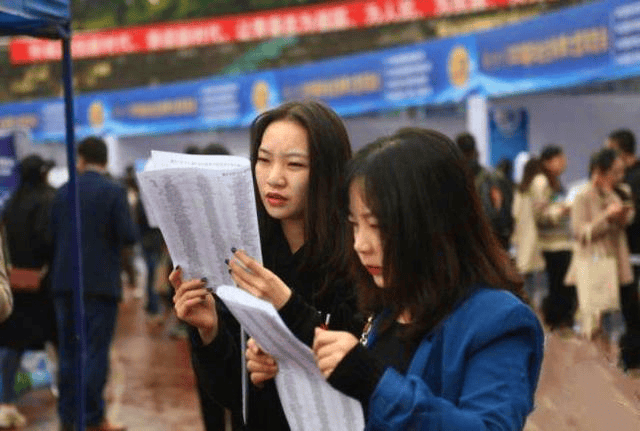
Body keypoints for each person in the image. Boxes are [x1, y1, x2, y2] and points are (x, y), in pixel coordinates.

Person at [312, 128, 544, 430]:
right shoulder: (390, 305)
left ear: (433, 225)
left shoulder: (497, 321)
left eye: (377, 225)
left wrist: (374, 382)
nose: (360, 244)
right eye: (355, 225)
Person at [171, 100, 361, 430]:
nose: (274, 178)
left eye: (295, 165)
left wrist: (290, 347)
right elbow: (231, 394)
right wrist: (210, 331)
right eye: (263, 160)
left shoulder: (359, 258)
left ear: (327, 171)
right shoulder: (244, 254)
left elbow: (366, 375)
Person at [50, 137, 138, 431]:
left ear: (81, 159)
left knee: (68, 353)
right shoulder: (114, 192)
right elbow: (128, 235)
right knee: (96, 352)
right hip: (100, 285)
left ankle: (67, 416)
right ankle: (92, 416)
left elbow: (50, 235)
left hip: (65, 283)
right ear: (104, 160)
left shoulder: (62, 192)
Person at [0, 154, 57, 429]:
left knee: (13, 344)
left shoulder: (11, 202)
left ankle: (6, 402)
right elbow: (48, 240)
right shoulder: (48, 199)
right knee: (59, 340)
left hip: (15, 281)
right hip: (44, 282)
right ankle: (67, 395)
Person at [565, 148, 634, 341]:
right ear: (599, 171)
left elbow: (626, 222)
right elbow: (579, 233)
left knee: (619, 321)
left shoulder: (617, 193)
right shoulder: (583, 195)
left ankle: (616, 355)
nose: (619, 177)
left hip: (617, 263)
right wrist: (606, 216)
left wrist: (621, 215)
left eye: (621, 172)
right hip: (594, 264)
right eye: (615, 172)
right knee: (593, 324)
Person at [532, 144, 576, 331]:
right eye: (560, 159)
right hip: (552, 244)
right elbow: (540, 214)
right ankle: (556, 322)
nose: (564, 162)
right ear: (548, 162)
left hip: (562, 241)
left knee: (563, 285)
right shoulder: (541, 181)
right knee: (559, 285)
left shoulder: (555, 181)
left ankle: (559, 321)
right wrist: (562, 210)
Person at [606, 129, 640, 370]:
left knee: (632, 309)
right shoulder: (626, 179)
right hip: (628, 253)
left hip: (634, 254)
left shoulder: (632, 181)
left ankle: (633, 359)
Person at [455, 132, 513, 249]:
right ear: (476, 153)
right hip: (488, 241)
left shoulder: (492, 179)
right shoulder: (494, 177)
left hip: (485, 240)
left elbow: (504, 212)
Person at [511, 157, 545, 305]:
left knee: (526, 278)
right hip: (536, 238)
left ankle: (527, 305)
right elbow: (541, 212)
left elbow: (514, 212)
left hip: (522, 237)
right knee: (539, 284)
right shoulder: (539, 184)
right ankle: (536, 310)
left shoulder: (520, 189)